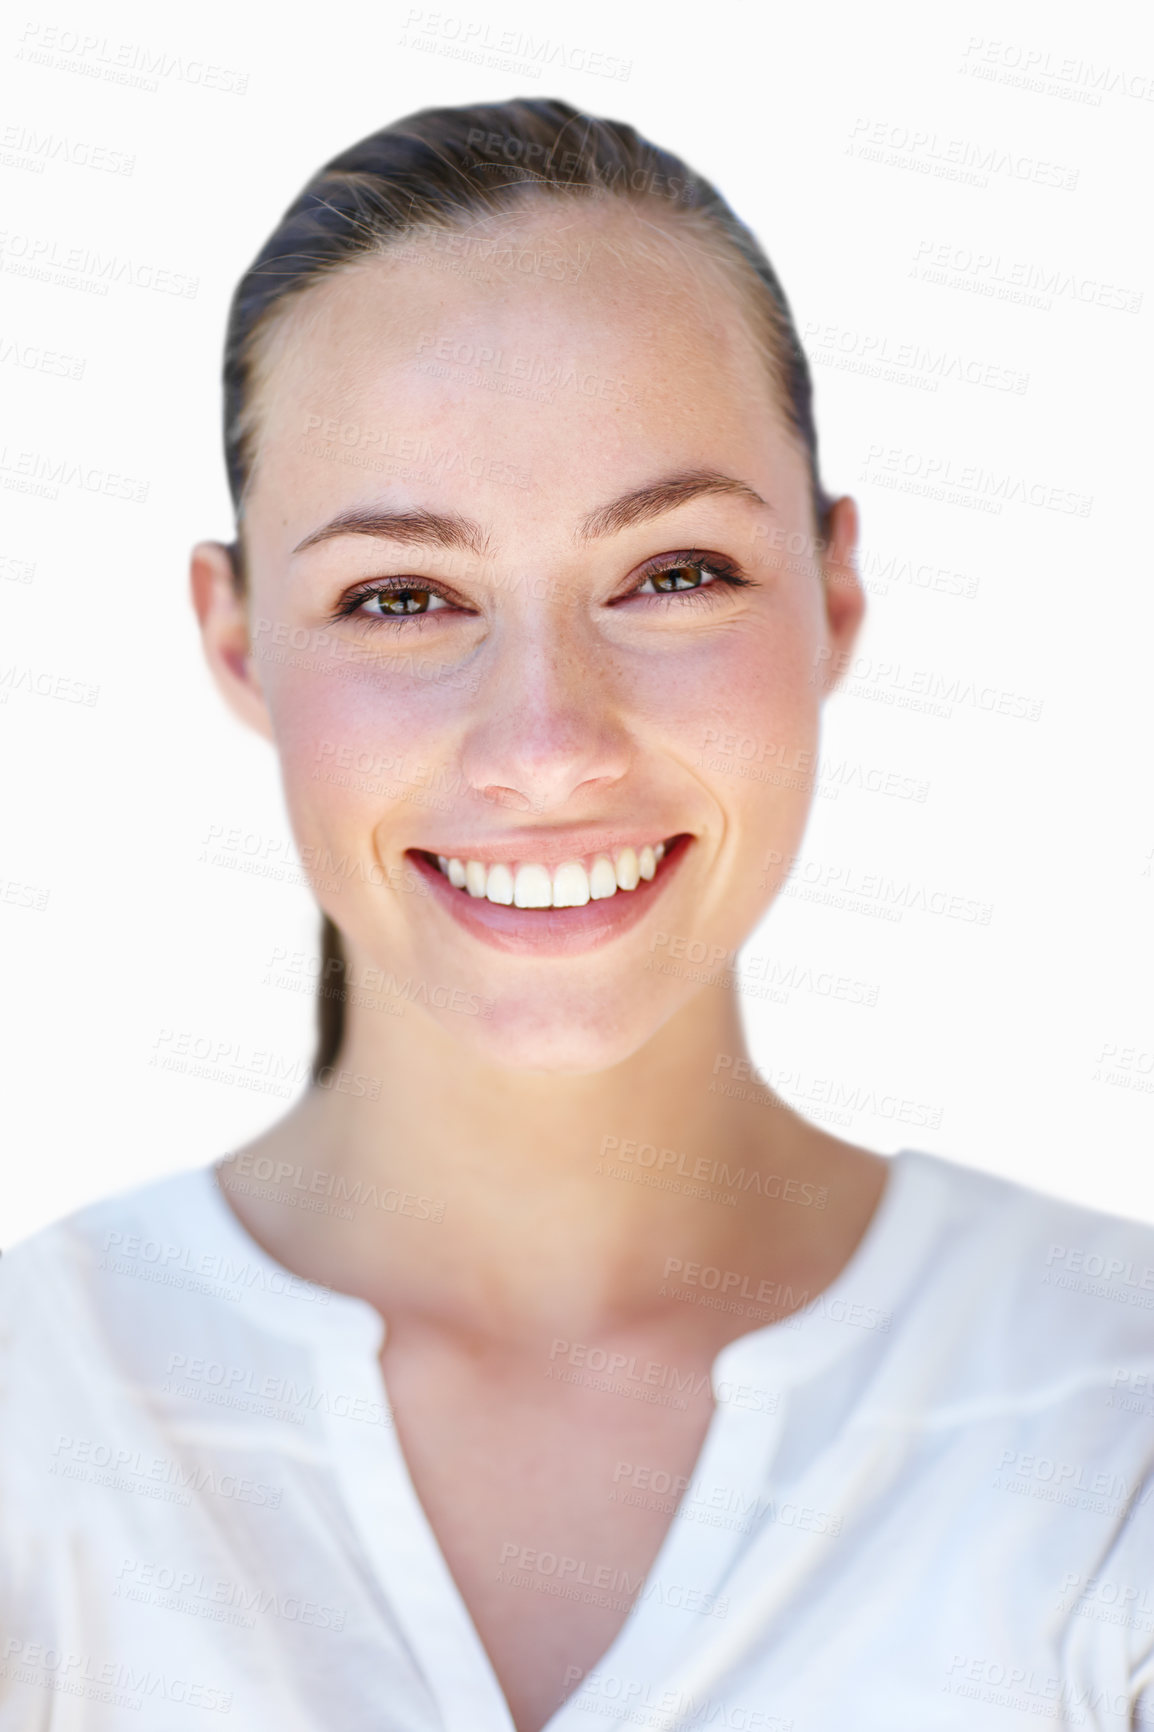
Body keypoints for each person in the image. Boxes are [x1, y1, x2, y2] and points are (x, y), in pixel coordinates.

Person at [1, 97, 1151, 1732]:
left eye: (671, 573)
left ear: (829, 594)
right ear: (239, 638)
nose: (547, 746)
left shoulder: (1110, 1418)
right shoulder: (38, 1432)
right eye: (401, 597)